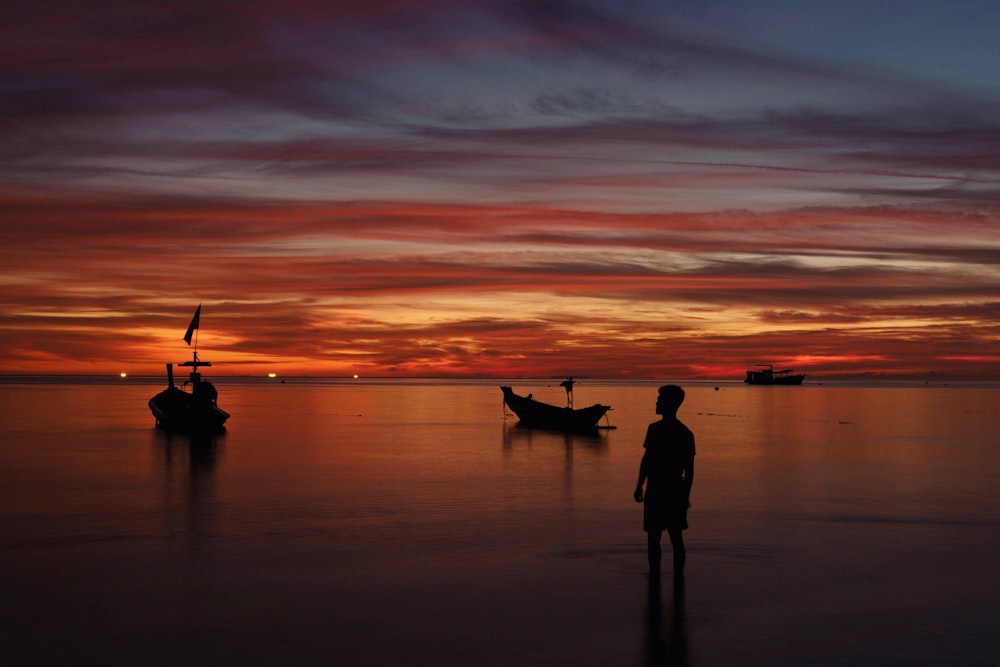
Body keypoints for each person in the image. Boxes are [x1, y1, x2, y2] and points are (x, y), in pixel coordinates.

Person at [634, 385, 695, 581]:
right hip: (654, 490)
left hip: (673, 491)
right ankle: (656, 578)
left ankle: (677, 579)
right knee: (654, 538)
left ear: (670, 404)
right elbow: (647, 459)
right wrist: (639, 485)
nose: (657, 402)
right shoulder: (654, 429)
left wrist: (685, 497)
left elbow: (689, 469)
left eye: (660, 400)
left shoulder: (684, 434)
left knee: (675, 538)